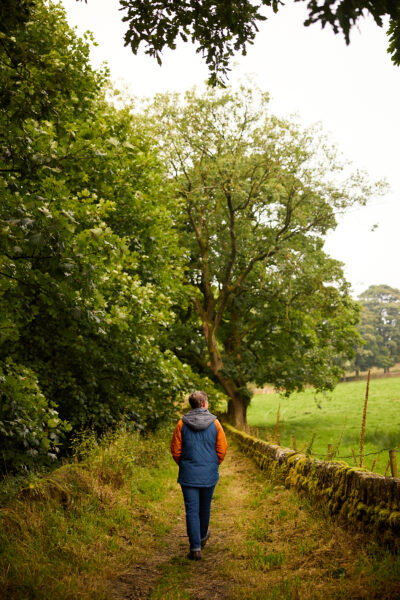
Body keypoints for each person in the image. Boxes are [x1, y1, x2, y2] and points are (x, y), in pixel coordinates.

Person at [170, 390, 228, 560]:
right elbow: (222, 449)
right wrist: (212, 464)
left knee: (191, 510)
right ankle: (202, 537)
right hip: (209, 473)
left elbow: (175, 450)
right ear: (204, 404)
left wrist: (185, 464)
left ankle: (195, 548)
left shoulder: (181, 423)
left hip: (188, 474)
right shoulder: (215, 423)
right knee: (205, 507)